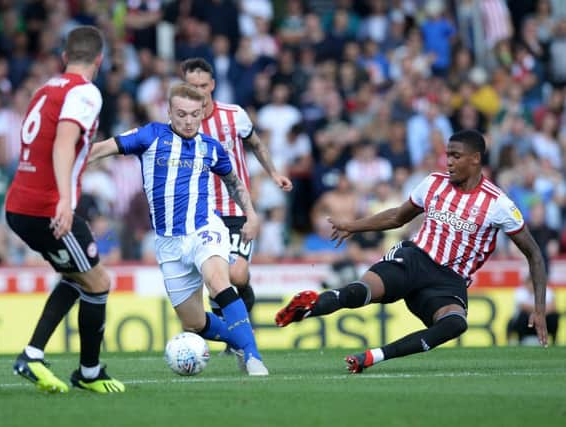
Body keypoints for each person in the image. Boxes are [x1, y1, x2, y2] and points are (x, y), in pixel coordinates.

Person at [275, 129, 549, 373]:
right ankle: (308, 308)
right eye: (447, 155)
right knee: (360, 291)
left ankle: (374, 356)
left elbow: (534, 254)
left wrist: (539, 308)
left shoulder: (498, 203)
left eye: (455, 156)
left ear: (475, 159)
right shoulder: (434, 183)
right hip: (413, 259)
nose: (449, 162)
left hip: (447, 281)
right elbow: (397, 216)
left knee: (455, 323)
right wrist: (353, 226)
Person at [88, 83, 269, 376]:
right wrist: (70, 165)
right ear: (169, 112)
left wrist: (251, 215)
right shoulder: (150, 136)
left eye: (195, 115)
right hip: (168, 242)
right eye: (182, 114)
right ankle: (240, 341)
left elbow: (234, 182)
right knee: (194, 323)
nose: (188, 121)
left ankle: (252, 356)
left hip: (205, 229)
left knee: (218, 281)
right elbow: (103, 149)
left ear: (201, 114)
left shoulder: (210, 147)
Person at [4, 26, 124, 393]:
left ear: (64, 57)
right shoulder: (85, 92)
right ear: (100, 60)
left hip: (21, 202)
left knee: (78, 277)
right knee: (99, 281)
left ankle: (34, 354)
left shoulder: (46, 89)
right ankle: (87, 373)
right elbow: (63, 144)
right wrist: (65, 200)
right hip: (46, 206)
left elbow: (53, 145)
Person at [180, 58, 292, 329]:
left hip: (237, 208)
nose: (198, 91)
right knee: (214, 279)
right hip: (201, 213)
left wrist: (274, 173)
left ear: (213, 85)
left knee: (237, 274)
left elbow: (256, 144)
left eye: (203, 85)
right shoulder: (179, 123)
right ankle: (232, 330)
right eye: (192, 86)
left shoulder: (234, 115)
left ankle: (239, 321)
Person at [507, 276, 558, 345]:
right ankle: (520, 341)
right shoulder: (520, 292)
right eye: (531, 283)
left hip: (543, 320)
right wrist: (540, 311)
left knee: (554, 316)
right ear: (526, 284)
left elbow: (553, 307)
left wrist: (538, 313)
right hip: (526, 322)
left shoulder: (547, 290)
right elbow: (523, 307)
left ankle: (554, 341)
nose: (533, 286)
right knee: (523, 315)